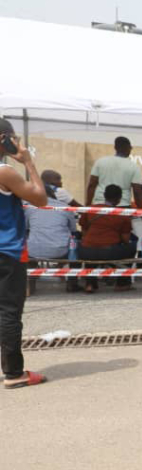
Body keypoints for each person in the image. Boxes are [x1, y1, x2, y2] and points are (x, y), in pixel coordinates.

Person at [0, 119, 49, 389]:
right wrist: (28, 162)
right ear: (4, 138)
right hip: (7, 250)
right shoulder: (5, 172)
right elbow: (41, 199)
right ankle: (14, 373)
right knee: (9, 311)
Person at [80, 184, 136, 293]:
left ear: (104, 195)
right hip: (109, 251)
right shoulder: (122, 214)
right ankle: (122, 283)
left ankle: (90, 284)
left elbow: (84, 230)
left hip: (86, 251)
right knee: (132, 247)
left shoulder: (91, 209)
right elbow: (125, 239)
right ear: (119, 199)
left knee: (90, 252)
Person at [86, 136, 142, 208]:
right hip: (122, 205)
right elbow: (137, 191)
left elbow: (92, 185)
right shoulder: (134, 167)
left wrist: (87, 204)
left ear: (115, 147)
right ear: (128, 148)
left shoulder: (100, 162)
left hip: (100, 203)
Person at [26, 186, 77, 260]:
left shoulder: (29, 207)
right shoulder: (65, 207)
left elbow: (25, 228)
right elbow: (73, 229)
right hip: (59, 251)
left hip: (33, 251)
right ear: (53, 194)